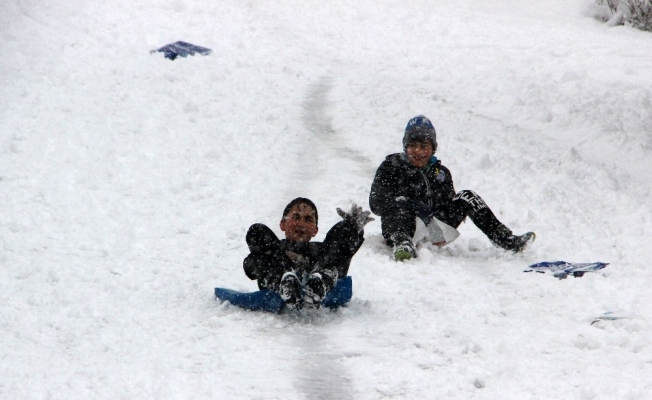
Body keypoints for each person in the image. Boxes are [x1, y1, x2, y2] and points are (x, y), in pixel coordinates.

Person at [369, 115, 535, 261]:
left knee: (467, 196)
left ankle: (504, 238)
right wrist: (411, 204)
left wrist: (434, 214)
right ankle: (403, 244)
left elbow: (448, 204)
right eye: (413, 146)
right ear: (406, 147)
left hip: (433, 231)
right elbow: (376, 204)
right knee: (398, 204)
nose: (418, 151)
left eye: (424, 146)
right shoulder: (391, 167)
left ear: (432, 149)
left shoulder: (440, 173)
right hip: (400, 227)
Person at [243, 197, 373, 310]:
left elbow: (344, 248)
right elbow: (250, 265)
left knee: (342, 229)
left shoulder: (323, 251)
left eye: (308, 220)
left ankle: (319, 282)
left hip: (325, 276)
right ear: (282, 224)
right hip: (277, 276)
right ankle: (285, 282)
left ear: (315, 230)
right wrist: (274, 268)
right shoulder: (273, 249)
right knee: (257, 230)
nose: (301, 224)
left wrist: (352, 229)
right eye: (296, 217)